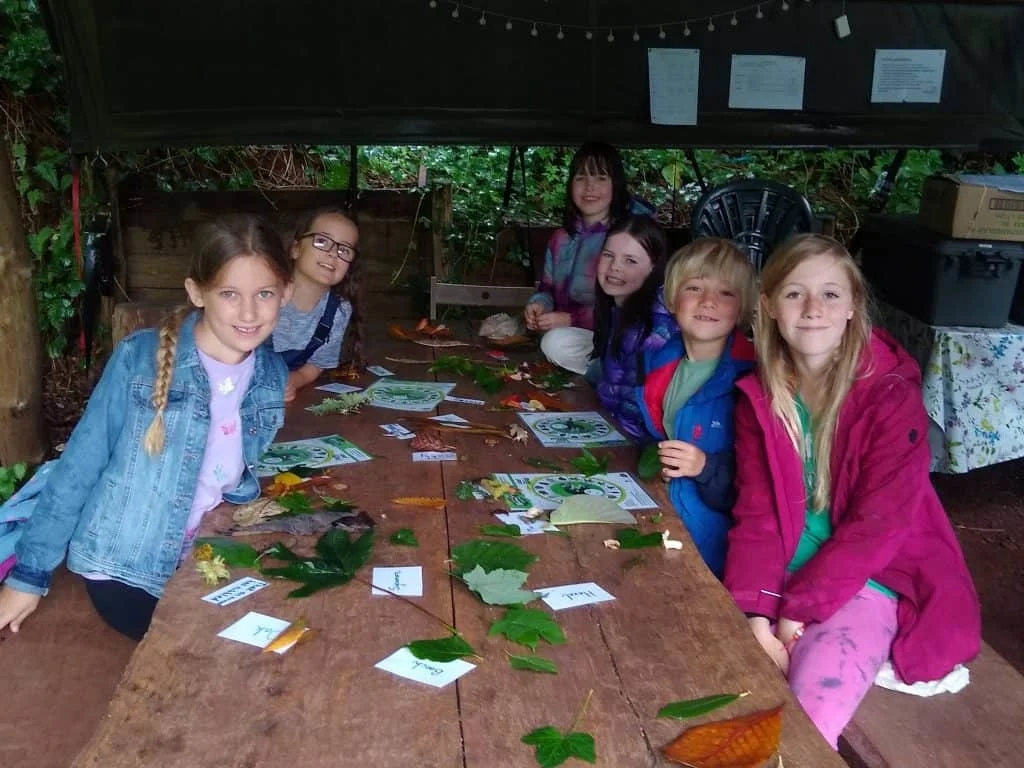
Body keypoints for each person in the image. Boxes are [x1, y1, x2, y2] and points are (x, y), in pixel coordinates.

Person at [726, 233, 981, 748]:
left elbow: (876, 529)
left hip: (867, 578)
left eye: (831, 294)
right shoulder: (762, 395)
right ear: (770, 306)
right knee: (721, 670)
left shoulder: (890, 398)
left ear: (853, 308)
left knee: (808, 712)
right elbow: (757, 516)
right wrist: (756, 612)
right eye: (795, 293)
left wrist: (795, 611)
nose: (813, 308)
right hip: (783, 570)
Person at [0, 214, 293, 640]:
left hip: (205, 549)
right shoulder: (141, 360)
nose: (249, 312)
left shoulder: (270, 374)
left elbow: (231, 475)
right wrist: (27, 578)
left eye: (264, 293)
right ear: (197, 291)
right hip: (127, 568)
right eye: (230, 293)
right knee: (226, 651)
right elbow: (78, 468)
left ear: (284, 293)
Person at [635, 238, 756, 578]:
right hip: (665, 526)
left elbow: (759, 487)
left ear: (743, 307)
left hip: (715, 551)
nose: (708, 302)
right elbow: (660, 435)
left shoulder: (752, 381)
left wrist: (705, 466)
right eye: (694, 287)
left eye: (726, 293)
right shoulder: (661, 365)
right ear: (673, 299)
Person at [524, 142, 652, 374]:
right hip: (574, 337)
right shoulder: (560, 239)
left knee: (554, 343)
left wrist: (571, 319)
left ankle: (618, 375)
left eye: (601, 178)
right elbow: (547, 288)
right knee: (553, 341)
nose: (589, 187)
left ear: (616, 185)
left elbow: (632, 307)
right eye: (581, 178)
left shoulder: (626, 237)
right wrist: (539, 305)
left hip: (617, 334)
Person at [592, 214, 674, 440]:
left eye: (630, 260)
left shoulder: (651, 328)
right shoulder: (618, 308)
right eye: (608, 256)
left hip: (636, 440)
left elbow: (637, 409)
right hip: (615, 421)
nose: (615, 267)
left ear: (653, 268)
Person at [273, 206, 362, 401]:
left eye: (344, 249)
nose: (333, 253)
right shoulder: (263, 295)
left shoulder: (338, 311)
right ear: (295, 248)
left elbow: (317, 364)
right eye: (322, 241)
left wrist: (295, 380)